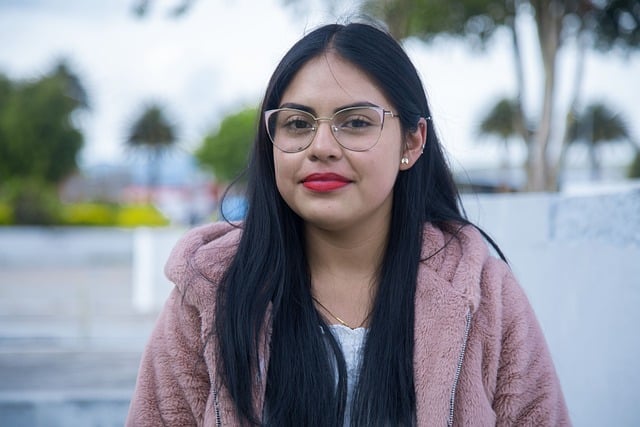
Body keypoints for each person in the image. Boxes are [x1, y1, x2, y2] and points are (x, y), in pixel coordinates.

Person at [126, 21, 570, 426]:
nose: (321, 146)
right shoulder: (211, 293)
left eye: (355, 122)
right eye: (297, 123)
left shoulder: (481, 295)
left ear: (413, 142)